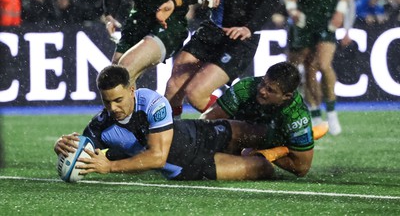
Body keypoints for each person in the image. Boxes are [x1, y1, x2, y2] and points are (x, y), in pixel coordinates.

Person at [54, 65, 278, 181]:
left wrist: (110, 166)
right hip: (190, 165)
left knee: (264, 133)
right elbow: (82, 148)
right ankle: (255, 155)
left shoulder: (151, 101)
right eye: (107, 102)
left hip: (198, 131)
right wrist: (63, 147)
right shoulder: (99, 126)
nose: (113, 108)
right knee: (263, 169)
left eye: (118, 100)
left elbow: (155, 155)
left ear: (131, 91)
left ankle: (269, 148)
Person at [164, 0, 280, 118]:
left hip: (242, 37)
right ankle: (171, 138)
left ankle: (250, 128)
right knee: (173, 86)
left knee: (196, 94)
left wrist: (249, 28)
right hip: (213, 29)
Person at [201, 62, 327, 176]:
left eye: (270, 90)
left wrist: (265, 152)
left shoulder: (297, 116)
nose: (261, 90)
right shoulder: (245, 87)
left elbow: (301, 168)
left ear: (286, 96)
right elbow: (207, 120)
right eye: (263, 83)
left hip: (271, 139)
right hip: (239, 133)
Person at [103, 0, 213, 84]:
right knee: (113, 80)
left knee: (123, 70)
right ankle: (136, 104)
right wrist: (109, 15)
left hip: (171, 25)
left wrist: (175, 2)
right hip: (137, 22)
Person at [284, 0, 354, 135]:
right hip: (304, 14)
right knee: (308, 66)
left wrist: (341, 9)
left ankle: (331, 110)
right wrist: (291, 7)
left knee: (323, 64)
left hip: (327, 13)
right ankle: (315, 113)